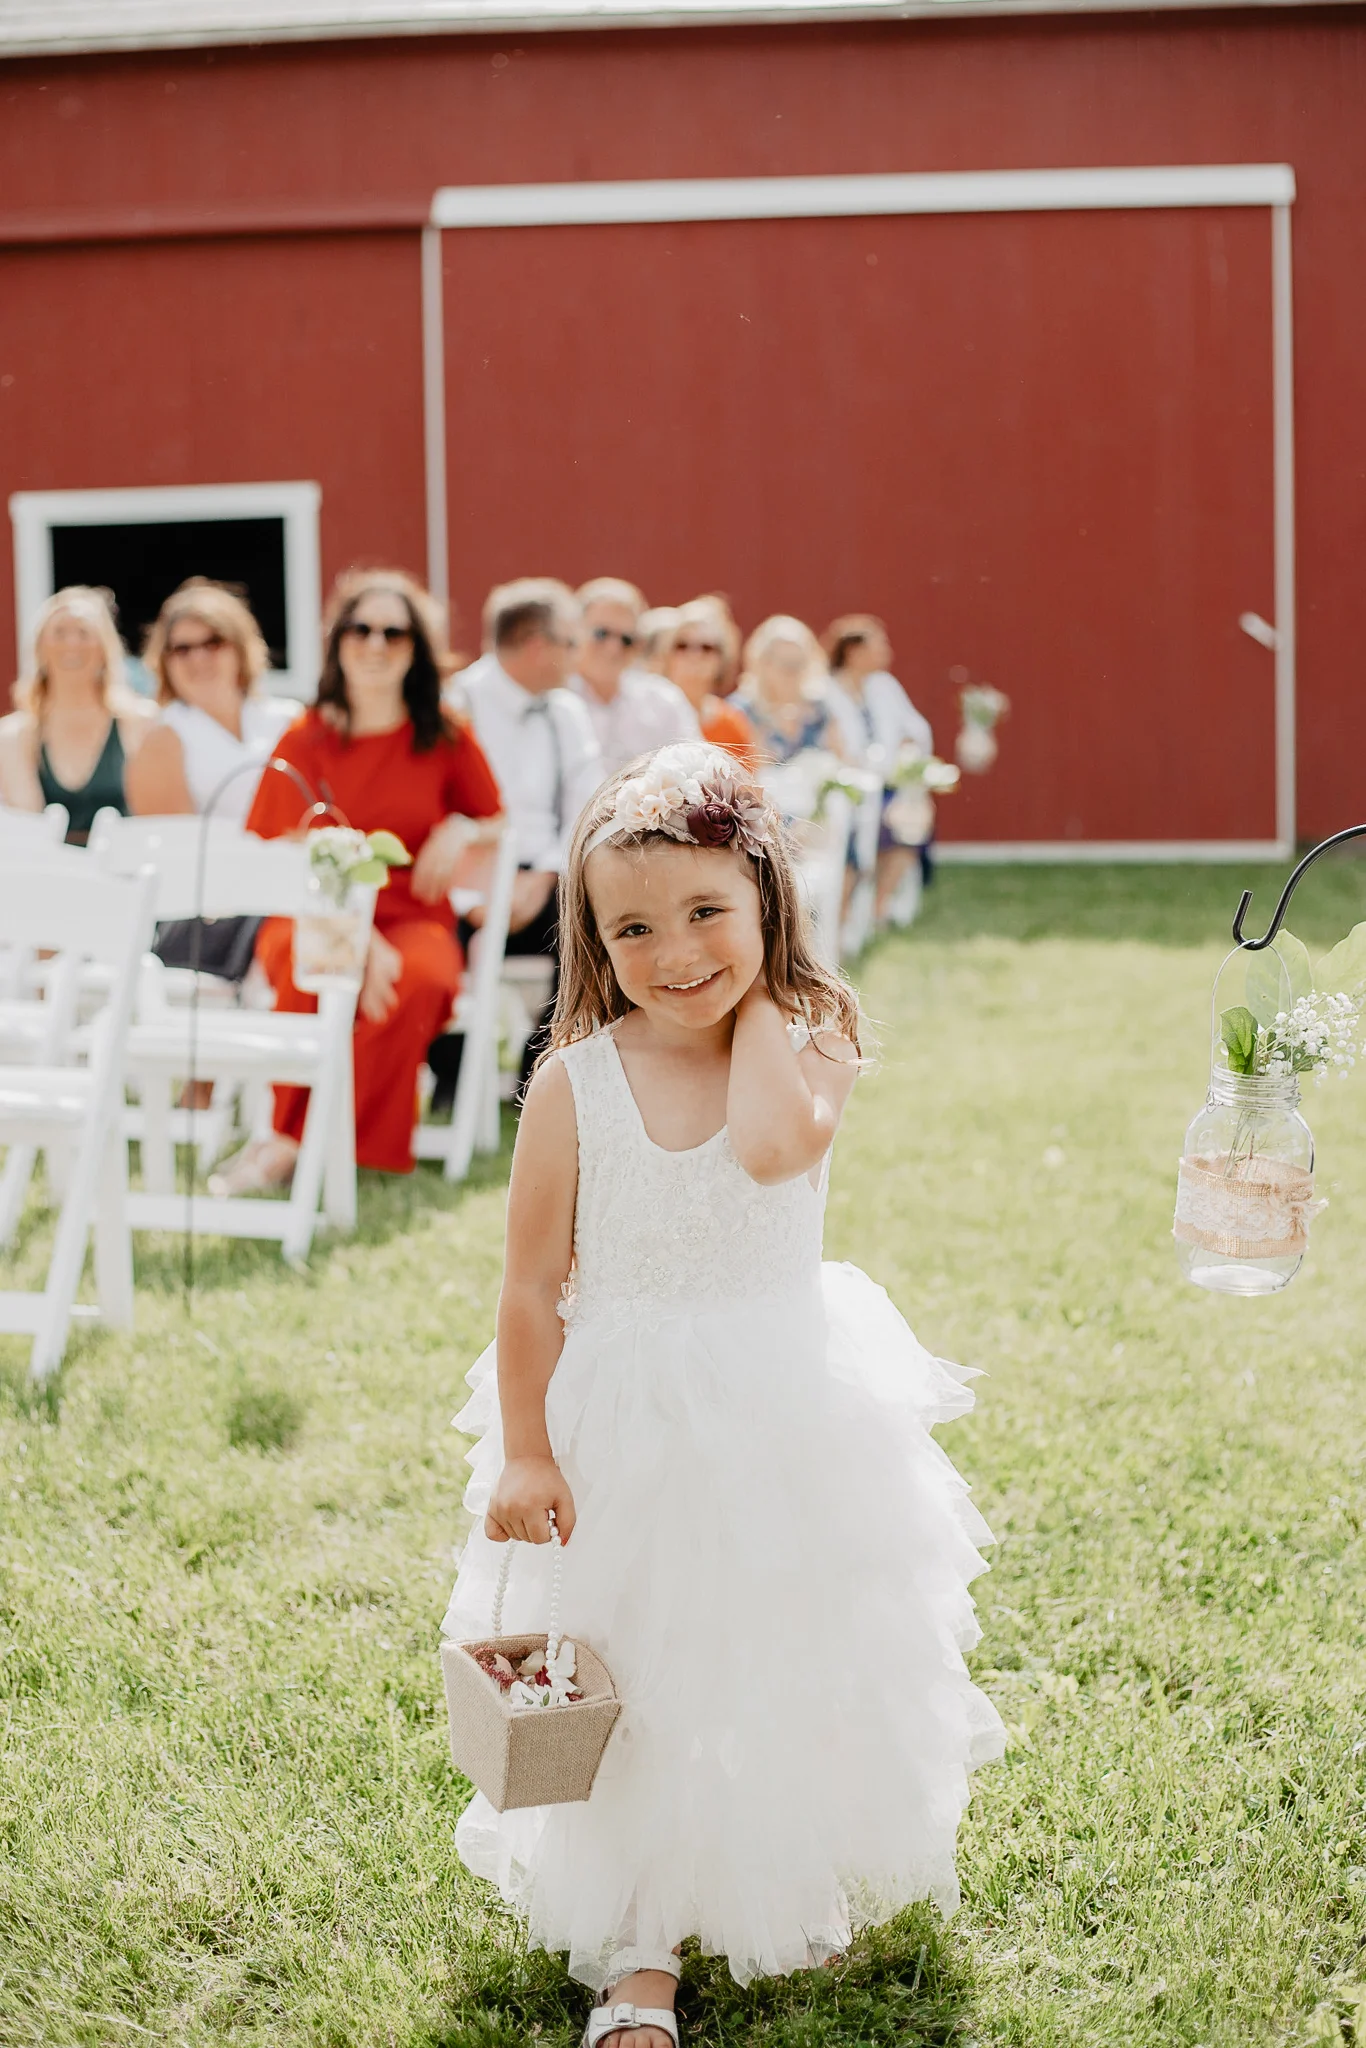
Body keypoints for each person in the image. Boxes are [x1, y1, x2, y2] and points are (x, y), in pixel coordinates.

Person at [443, 741, 1003, 2047]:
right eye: (633, 929)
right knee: (630, 1678)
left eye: (708, 911)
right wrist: (526, 1448)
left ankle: (772, 1870)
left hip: (781, 1408)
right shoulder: (575, 1083)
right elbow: (529, 1285)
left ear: (766, 898)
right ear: (593, 942)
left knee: (778, 1658)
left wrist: (763, 999)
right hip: (623, 1422)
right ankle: (637, 1945)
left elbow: (766, 1148)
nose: (677, 951)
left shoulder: (811, 1045)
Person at [216, 569, 502, 1192]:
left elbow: (497, 819)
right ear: (338, 641)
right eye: (360, 629)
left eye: (394, 633)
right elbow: (271, 847)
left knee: (421, 981)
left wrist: (461, 829)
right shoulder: (305, 738)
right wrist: (357, 938)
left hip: (412, 916)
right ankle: (292, 1139)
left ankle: (339, 1149)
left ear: (415, 648)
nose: (375, 644)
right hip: (312, 913)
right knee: (312, 965)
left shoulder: (445, 734)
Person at [452, 578, 603, 1100]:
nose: (578, 656)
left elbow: (585, 805)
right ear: (539, 645)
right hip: (463, 885)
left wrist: (547, 874)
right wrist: (474, 894)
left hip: (545, 879)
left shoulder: (567, 712)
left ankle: (539, 1071)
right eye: (572, 642)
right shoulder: (455, 704)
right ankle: (450, 1072)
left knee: (596, 923)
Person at [128, 580, 299, 825]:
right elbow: (174, 842)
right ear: (165, 661)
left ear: (239, 648)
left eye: (213, 643)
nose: (199, 658)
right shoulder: (163, 736)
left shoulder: (289, 718)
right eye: (183, 649)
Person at [0, 585, 155, 843]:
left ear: (104, 648)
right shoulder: (13, 736)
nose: (72, 643)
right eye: (59, 633)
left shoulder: (141, 723)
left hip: (124, 863)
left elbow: (153, 820)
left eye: (84, 633)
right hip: (48, 866)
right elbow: (27, 830)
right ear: (39, 648)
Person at [823, 614, 936, 916]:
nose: (887, 652)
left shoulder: (884, 686)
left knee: (911, 824)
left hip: (889, 783)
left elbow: (916, 728)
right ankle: (848, 908)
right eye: (878, 646)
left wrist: (908, 750)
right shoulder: (826, 690)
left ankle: (879, 905)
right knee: (856, 839)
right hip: (847, 787)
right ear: (853, 651)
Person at [569, 577, 696, 775]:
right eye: (602, 634)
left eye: (626, 639)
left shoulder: (662, 701)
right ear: (574, 631)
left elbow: (696, 767)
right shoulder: (551, 700)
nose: (613, 647)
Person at [734, 614, 843, 770]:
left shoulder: (820, 710)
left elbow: (840, 763)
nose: (793, 673)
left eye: (799, 664)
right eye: (785, 664)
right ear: (763, 664)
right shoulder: (742, 711)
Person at [659, 596, 757, 768]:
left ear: (722, 658)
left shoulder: (732, 723)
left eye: (706, 647)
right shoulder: (648, 713)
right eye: (683, 645)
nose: (694, 655)